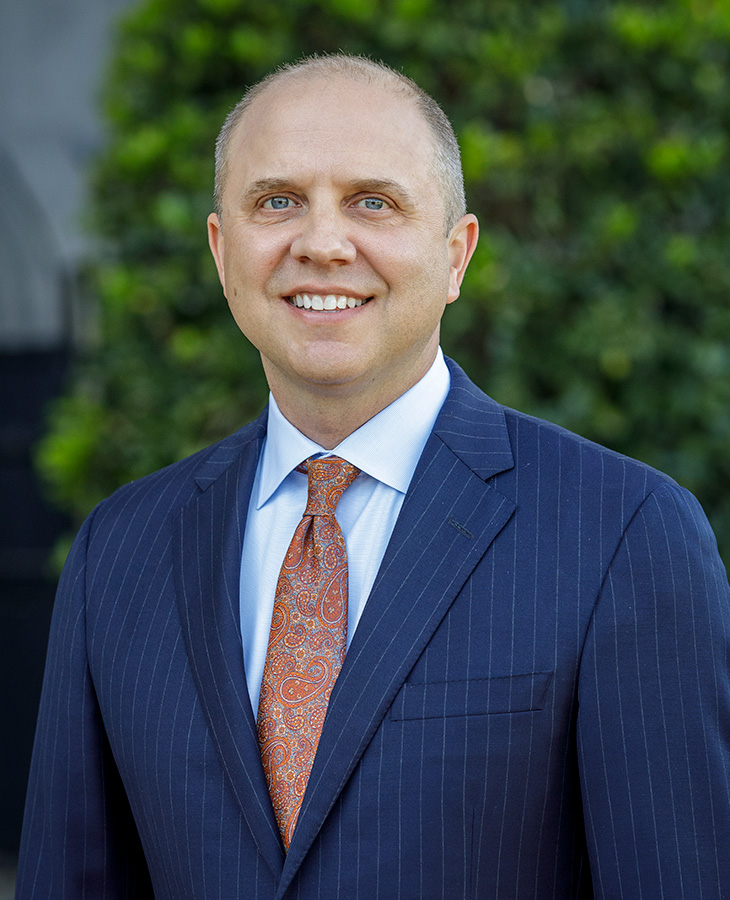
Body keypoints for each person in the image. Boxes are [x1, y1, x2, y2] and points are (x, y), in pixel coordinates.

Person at [16, 53, 730, 900]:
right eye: (277, 201)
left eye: (373, 202)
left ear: (456, 255)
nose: (321, 244)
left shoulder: (622, 533)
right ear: (221, 250)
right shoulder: (119, 550)